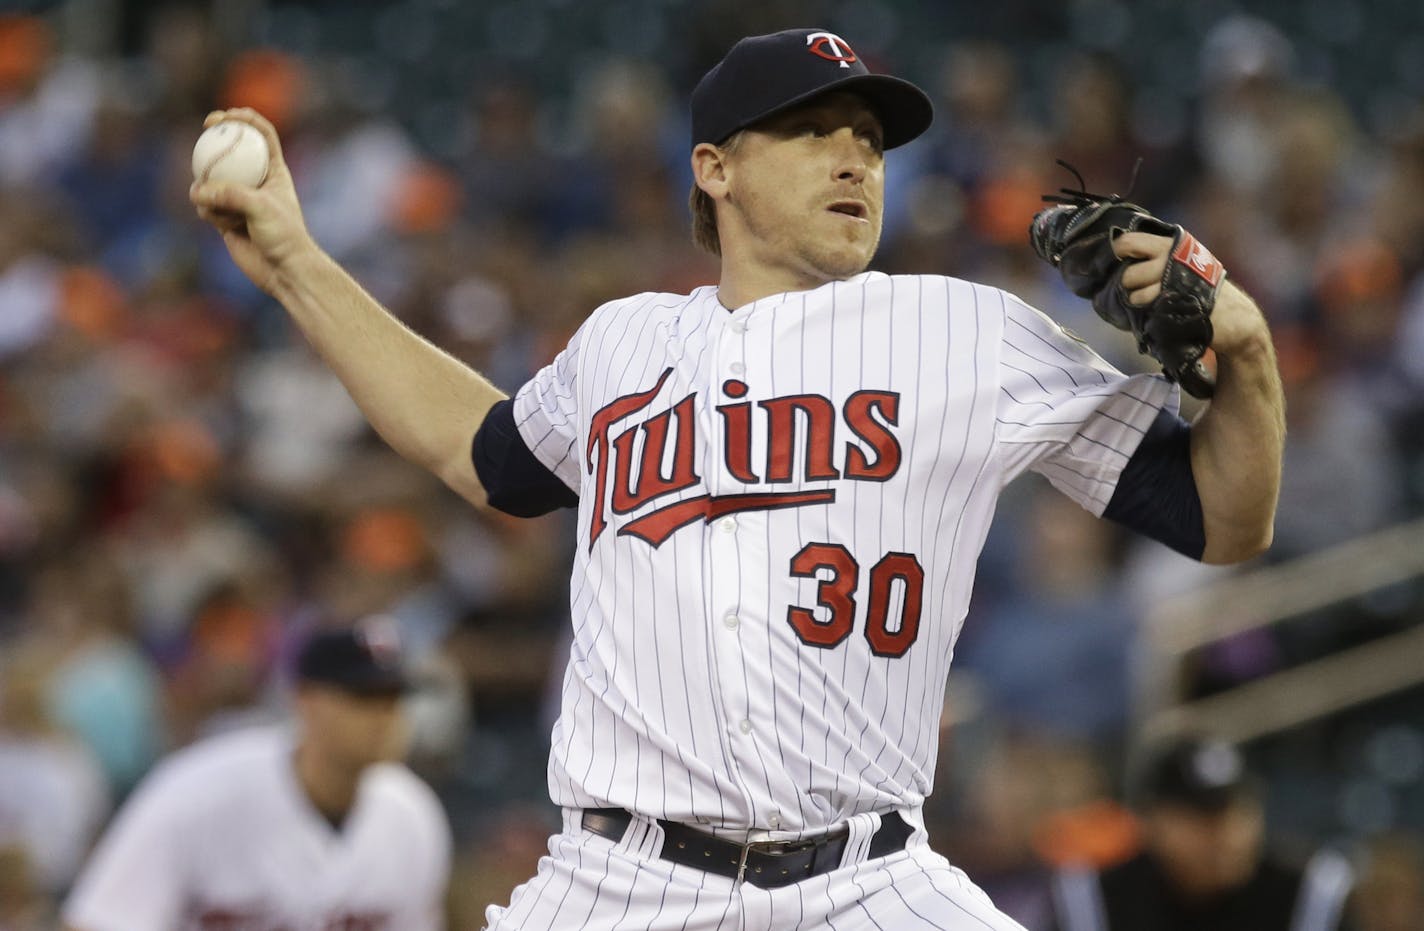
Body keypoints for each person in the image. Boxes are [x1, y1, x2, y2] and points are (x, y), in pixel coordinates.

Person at [188, 26, 1284, 930]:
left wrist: (1246, 359)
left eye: (868, 140)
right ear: (713, 166)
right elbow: (481, 456)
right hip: (620, 882)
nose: (855, 158)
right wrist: (294, 259)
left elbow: (1218, 517)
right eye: (813, 132)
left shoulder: (965, 331)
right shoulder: (623, 341)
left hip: (870, 877)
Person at [62, 618, 452, 931]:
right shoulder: (196, 792)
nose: (386, 719)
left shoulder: (412, 816)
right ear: (304, 701)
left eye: (396, 699)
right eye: (365, 699)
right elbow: (97, 921)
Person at [1051, 734, 1354, 931]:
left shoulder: (1308, 894)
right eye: (1205, 818)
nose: (1230, 835)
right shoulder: (1095, 900)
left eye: (1240, 812)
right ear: (1153, 822)